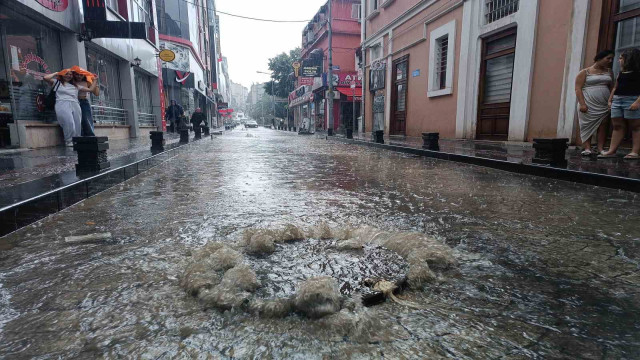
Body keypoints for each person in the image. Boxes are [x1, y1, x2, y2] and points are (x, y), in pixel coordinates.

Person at [601, 49, 640, 159]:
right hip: (618, 100)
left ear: (629, 59)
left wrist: (637, 102)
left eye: (621, 58)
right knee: (617, 126)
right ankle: (612, 151)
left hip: (632, 99)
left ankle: (635, 152)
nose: (618, 60)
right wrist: (610, 100)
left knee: (636, 126)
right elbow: (615, 87)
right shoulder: (621, 73)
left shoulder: (638, 73)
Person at [44, 69, 97, 147]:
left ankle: (76, 140)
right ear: (62, 75)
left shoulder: (75, 85)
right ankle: (68, 141)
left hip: (75, 104)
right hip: (62, 103)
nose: (68, 75)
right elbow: (46, 78)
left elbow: (91, 90)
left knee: (77, 123)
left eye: (70, 74)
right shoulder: (57, 82)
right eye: (66, 74)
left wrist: (95, 80)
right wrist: (56, 72)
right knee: (69, 122)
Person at [575, 50, 614, 156]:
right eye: (608, 58)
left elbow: (612, 87)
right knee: (586, 124)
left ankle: (600, 148)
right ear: (599, 58)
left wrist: (611, 100)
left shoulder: (609, 71)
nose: (610, 61)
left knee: (603, 124)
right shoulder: (585, 72)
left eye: (611, 59)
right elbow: (578, 89)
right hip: (588, 102)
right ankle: (587, 147)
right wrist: (582, 104)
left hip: (603, 103)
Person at [71, 66, 99, 137]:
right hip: (73, 102)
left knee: (86, 120)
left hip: (83, 101)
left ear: (84, 75)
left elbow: (96, 93)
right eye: (77, 74)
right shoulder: (71, 82)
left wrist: (94, 82)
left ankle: (90, 137)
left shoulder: (87, 82)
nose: (79, 76)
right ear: (74, 74)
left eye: (81, 75)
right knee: (76, 121)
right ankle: (79, 137)